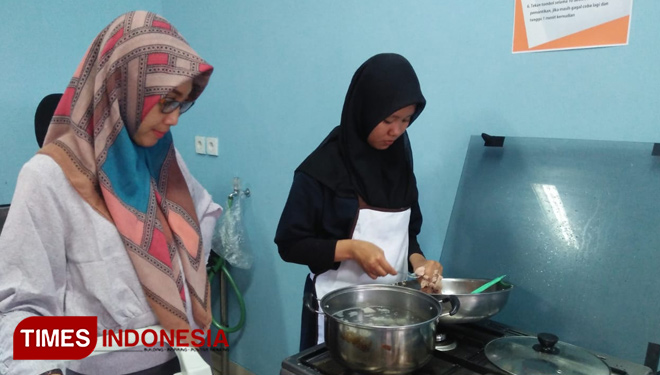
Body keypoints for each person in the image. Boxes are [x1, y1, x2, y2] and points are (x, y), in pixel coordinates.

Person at [0, 11, 222, 375]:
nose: (175, 119)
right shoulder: (48, 178)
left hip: (186, 357)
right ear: (125, 86)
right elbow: (19, 309)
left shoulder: (163, 159)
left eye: (183, 103)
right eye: (166, 101)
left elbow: (197, 232)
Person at [275, 53, 443, 351]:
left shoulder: (399, 161)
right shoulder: (321, 170)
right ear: (365, 109)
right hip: (337, 315)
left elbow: (407, 235)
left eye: (406, 120)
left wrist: (421, 264)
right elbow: (290, 243)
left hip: (392, 316)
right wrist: (350, 249)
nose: (397, 131)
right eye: (389, 119)